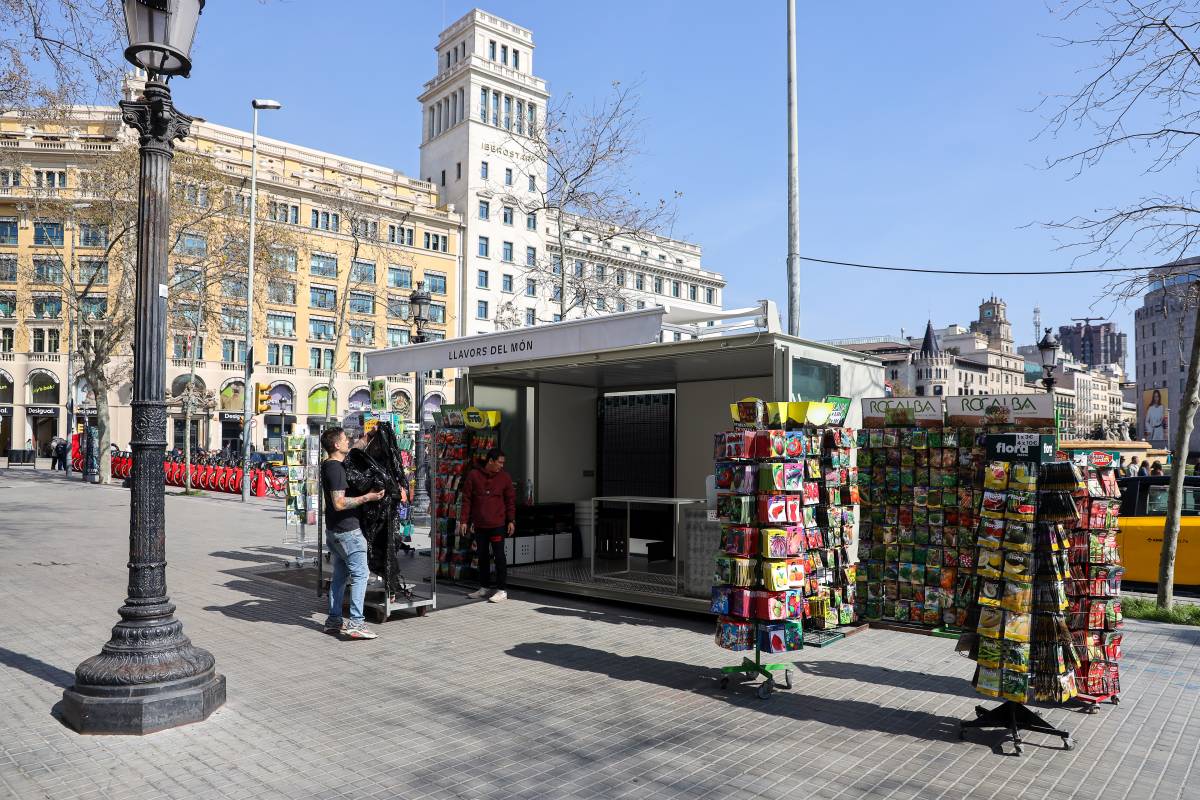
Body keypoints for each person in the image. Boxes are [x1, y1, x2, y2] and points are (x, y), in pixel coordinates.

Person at [320, 426, 385, 640]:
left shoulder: (331, 463)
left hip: (335, 532)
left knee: (340, 576)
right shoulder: (336, 470)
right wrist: (368, 497)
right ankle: (356, 623)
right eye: (344, 438)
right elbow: (339, 503)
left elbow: (354, 449)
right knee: (360, 574)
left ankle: (333, 621)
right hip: (348, 532)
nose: (348, 440)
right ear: (336, 444)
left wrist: (369, 435)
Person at [459, 447, 516, 603]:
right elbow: (466, 499)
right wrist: (464, 521)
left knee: (499, 557)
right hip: (480, 525)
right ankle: (484, 587)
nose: (502, 466)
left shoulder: (504, 477)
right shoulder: (474, 475)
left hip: (497, 524)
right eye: (500, 462)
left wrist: (511, 520)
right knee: (482, 557)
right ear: (490, 461)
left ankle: (501, 590)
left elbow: (510, 500)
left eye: (503, 463)